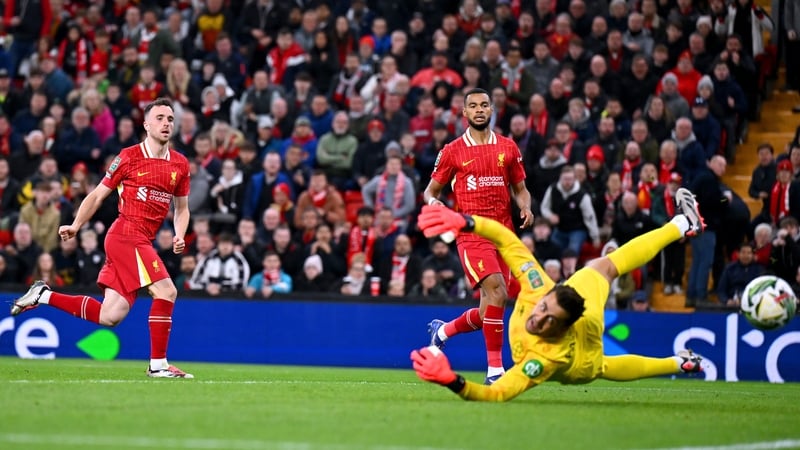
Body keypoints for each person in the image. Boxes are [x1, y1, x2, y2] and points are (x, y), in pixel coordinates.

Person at [409, 187, 706, 401]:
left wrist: (453, 381)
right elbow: (506, 238)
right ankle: (683, 224)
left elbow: (496, 393)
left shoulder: (545, 359)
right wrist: (465, 221)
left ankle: (676, 363)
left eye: (550, 320)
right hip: (571, 294)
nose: (539, 319)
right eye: (543, 309)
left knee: (602, 365)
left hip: (580, 359)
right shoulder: (539, 288)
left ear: (563, 328)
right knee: (603, 267)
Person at [10, 98, 194, 378]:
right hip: (126, 235)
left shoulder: (180, 164)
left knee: (111, 315)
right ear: (146, 125)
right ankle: (158, 365)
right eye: (159, 118)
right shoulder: (129, 156)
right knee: (167, 291)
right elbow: (97, 194)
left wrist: (180, 234)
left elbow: (182, 208)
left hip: (141, 240)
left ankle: (43, 295)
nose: (166, 123)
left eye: (170, 118)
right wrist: (75, 224)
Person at [423, 88, 533, 384]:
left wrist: (525, 207)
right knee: (497, 290)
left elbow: (521, 189)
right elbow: (430, 191)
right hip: (471, 233)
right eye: (473, 106)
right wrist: (438, 208)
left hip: (504, 235)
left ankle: (443, 331)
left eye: (484, 105)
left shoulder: (509, 148)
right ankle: (495, 372)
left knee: (490, 311)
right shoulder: (452, 151)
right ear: (465, 113)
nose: (480, 109)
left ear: (492, 110)